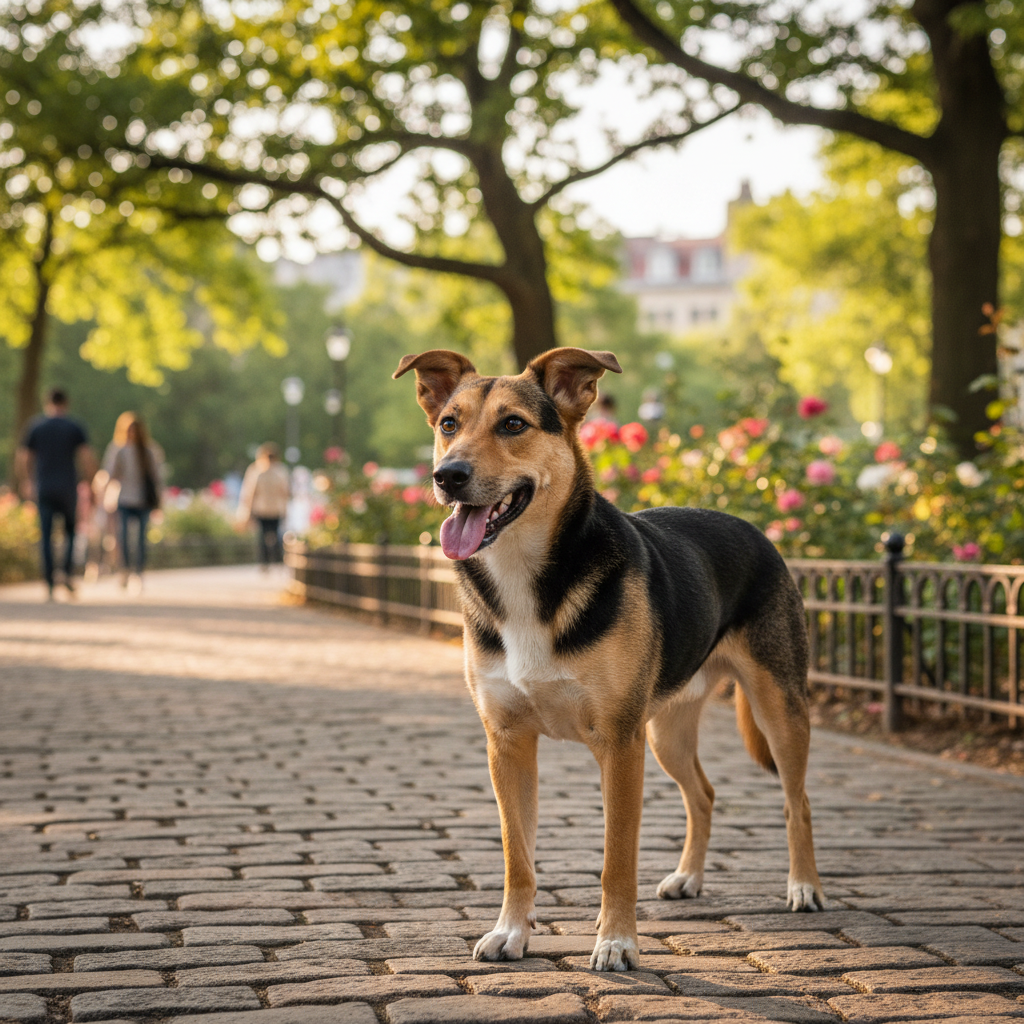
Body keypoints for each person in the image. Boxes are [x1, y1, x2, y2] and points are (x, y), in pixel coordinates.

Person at [15, 388, 98, 600]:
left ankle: (50, 583)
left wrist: (28, 481)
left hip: (44, 487)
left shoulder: (36, 426)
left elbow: (24, 457)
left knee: (46, 536)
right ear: (66, 403)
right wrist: (91, 483)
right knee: (71, 533)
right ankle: (67, 574)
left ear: (47, 402)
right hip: (67, 488)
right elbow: (86, 457)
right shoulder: (74, 427)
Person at [104, 412, 163, 588]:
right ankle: (125, 570)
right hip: (124, 499)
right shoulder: (118, 449)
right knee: (123, 538)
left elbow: (156, 477)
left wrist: (159, 502)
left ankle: (138, 571)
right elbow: (110, 474)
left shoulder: (149, 451)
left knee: (140, 539)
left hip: (143, 500)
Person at [238, 443, 291, 570]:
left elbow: (249, 493)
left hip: (261, 509)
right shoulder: (281, 471)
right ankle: (277, 560)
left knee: (262, 537)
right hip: (275, 509)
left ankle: (265, 562)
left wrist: (247, 511)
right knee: (275, 535)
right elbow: (286, 492)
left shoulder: (256, 471)